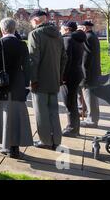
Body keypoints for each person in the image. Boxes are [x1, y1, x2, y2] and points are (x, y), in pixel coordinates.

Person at [0, 18, 33, 159]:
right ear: (14, 29)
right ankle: (15, 148)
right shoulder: (22, 44)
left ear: (2, 30)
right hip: (18, 85)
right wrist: (26, 86)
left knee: (4, 116)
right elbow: (27, 68)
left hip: (2, 85)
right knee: (17, 117)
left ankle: (7, 147)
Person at [28, 10, 67, 150]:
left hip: (39, 81)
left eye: (31, 21)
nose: (31, 24)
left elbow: (33, 59)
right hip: (55, 79)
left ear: (36, 20)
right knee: (53, 111)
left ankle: (45, 140)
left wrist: (32, 80)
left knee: (41, 112)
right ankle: (56, 139)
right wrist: (60, 76)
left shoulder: (35, 34)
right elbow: (64, 58)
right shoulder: (58, 34)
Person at [60, 21, 86, 137]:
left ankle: (72, 128)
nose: (60, 30)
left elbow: (66, 60)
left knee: (69, 103)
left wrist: (62, 77)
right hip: (77, 73)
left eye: (61, 28)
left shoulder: (67, 40)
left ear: (66, 29)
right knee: (73, 102)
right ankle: (75, 127)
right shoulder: (78, 39)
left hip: (69, 75)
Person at [79, 21, 102, 128]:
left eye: (80, 27)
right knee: (91, 96)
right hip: (93, 72)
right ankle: (91, 118)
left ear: (85, 28)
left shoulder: (87, 37)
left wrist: (83, 74)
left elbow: (85, 58)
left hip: (88, 73)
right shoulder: (92, 36)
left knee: (90, 97)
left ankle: (92, 120)